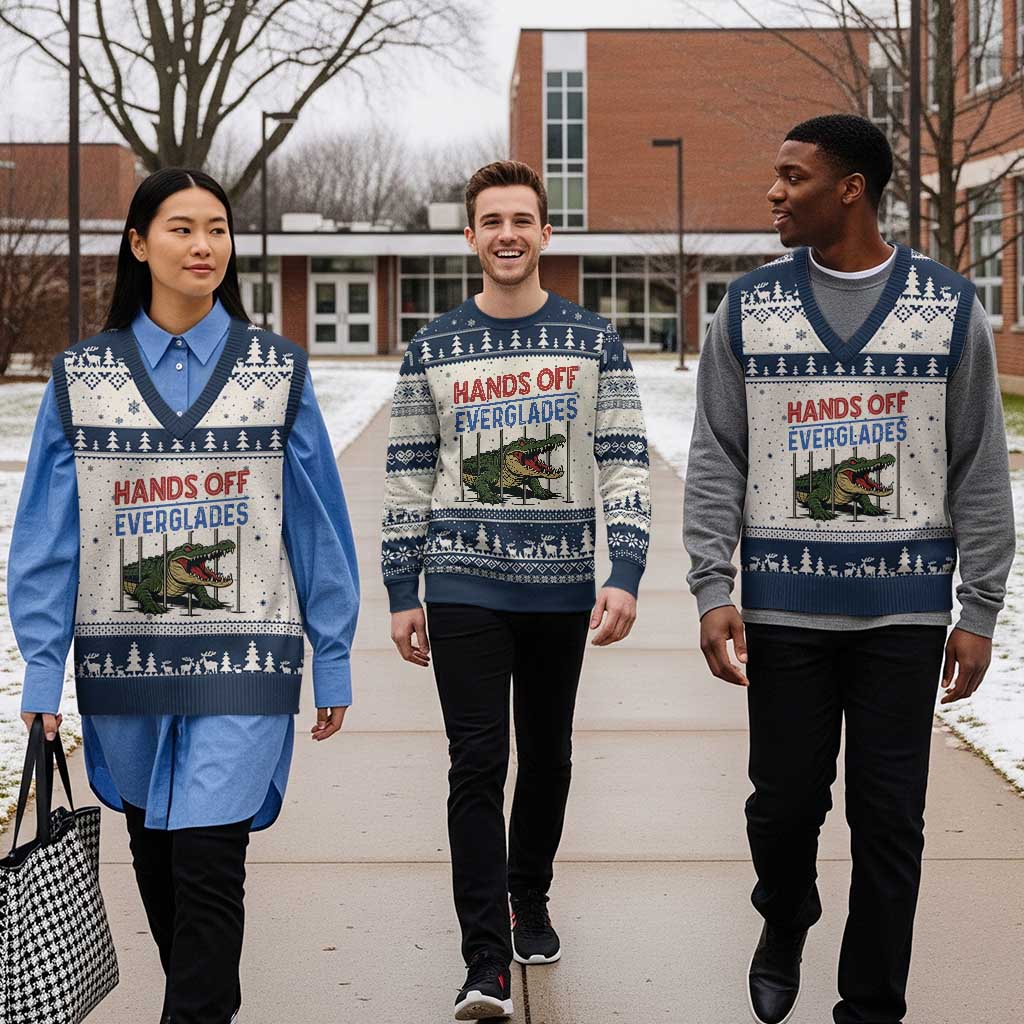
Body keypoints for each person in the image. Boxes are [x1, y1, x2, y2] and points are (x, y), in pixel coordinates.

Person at [684, 113, 1014, 1024]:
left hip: (905, 618)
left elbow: (979, 465)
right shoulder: (748, 307)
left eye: (793, 177)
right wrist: (712, 585)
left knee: (890, 821)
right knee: (783, 809)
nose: (774, 192)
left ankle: (870, 1007)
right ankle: (786, 911)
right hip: (785, 612)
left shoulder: (948, 307)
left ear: (851, 189)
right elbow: (716, 455)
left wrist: (980, 609)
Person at [11, 168, 359, 1024]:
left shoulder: (276, 372)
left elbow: (316, 524)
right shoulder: (81, 378)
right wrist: (43, 672)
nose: (203, 246)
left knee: (209, 864)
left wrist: (334, 655)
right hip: (123, 666)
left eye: (217, 229)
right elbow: (48, 538)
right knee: (159, 861)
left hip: (247, 661)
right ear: (138, 244)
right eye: (181, 228)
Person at [381, 160, 651, 1021]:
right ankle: (484, 962)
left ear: (545, 232)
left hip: (560, 586)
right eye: (492, 221)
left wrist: (626, 570)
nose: (507, 234)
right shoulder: (432, 348)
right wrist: (402, 587)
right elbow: (408, 476)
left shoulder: (593, 340)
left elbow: (624, 461)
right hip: (462, 582)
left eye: (522, 220)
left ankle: (527, 894)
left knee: (548, 753)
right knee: (476, 761)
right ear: (470, 236)